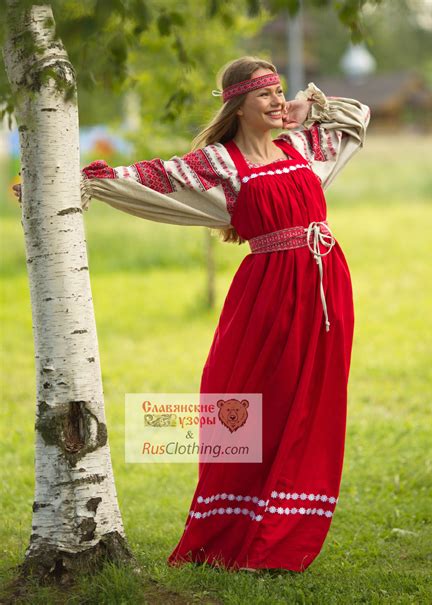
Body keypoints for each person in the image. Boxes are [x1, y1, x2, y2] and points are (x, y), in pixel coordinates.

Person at [13, 56, 370, 572]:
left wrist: (305, 106)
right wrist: (61, 184)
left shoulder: (304, 146)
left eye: (279, 92)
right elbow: (145, 178)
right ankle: (231, 530)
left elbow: (355, 117)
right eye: (266, 94)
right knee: (246, 405)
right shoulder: (220, 165)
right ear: (238, 105)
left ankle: (282, 538)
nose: (276, 101)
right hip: (266, 292)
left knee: (310, 404)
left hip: (324, 289)